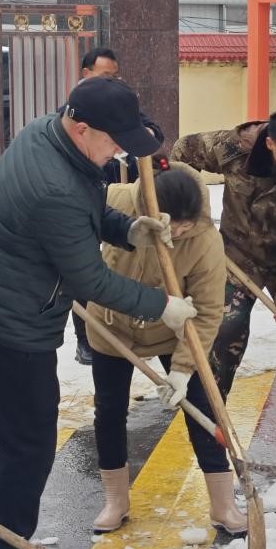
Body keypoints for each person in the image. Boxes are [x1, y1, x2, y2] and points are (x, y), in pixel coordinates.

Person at [0, 76, 197, 549]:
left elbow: (87, 210)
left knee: (5, 430)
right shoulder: (51, 186)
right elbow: (91, 281)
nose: (117, 155)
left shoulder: (50, 134)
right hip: (12, 321)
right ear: (82, 126)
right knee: (30, 442)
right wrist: (164, 308)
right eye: (113, 142)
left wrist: (127, 228)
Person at [81, 163, 246, 537]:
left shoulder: (205, 241)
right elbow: (72, 234)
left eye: (186, 226)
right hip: (111, 327)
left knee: (201, 407)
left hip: (171, 329)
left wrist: (183, 371)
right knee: (109, 410)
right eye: (172, 224)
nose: (179, 232)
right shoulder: (117, 201)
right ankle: (115, 500)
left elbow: (206, 313)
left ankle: (223, 505)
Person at [172, 107, 276, 443]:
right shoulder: (234, 147)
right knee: (226, 326)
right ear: (271, 144)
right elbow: (182, 153)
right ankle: (210, 406)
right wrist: (188, 206)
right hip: (241, 253)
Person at [70, 46, 165, 366]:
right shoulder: (75, 111)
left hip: (124, 197)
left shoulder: (119, 104)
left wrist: (144, 135)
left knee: (128, 263)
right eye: (106, 75)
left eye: (116, 75)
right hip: (92, 195)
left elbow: (151, 130)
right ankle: (87, 338)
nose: (113, 80)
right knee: (85, 267)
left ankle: (134, 330)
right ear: (87, 74)